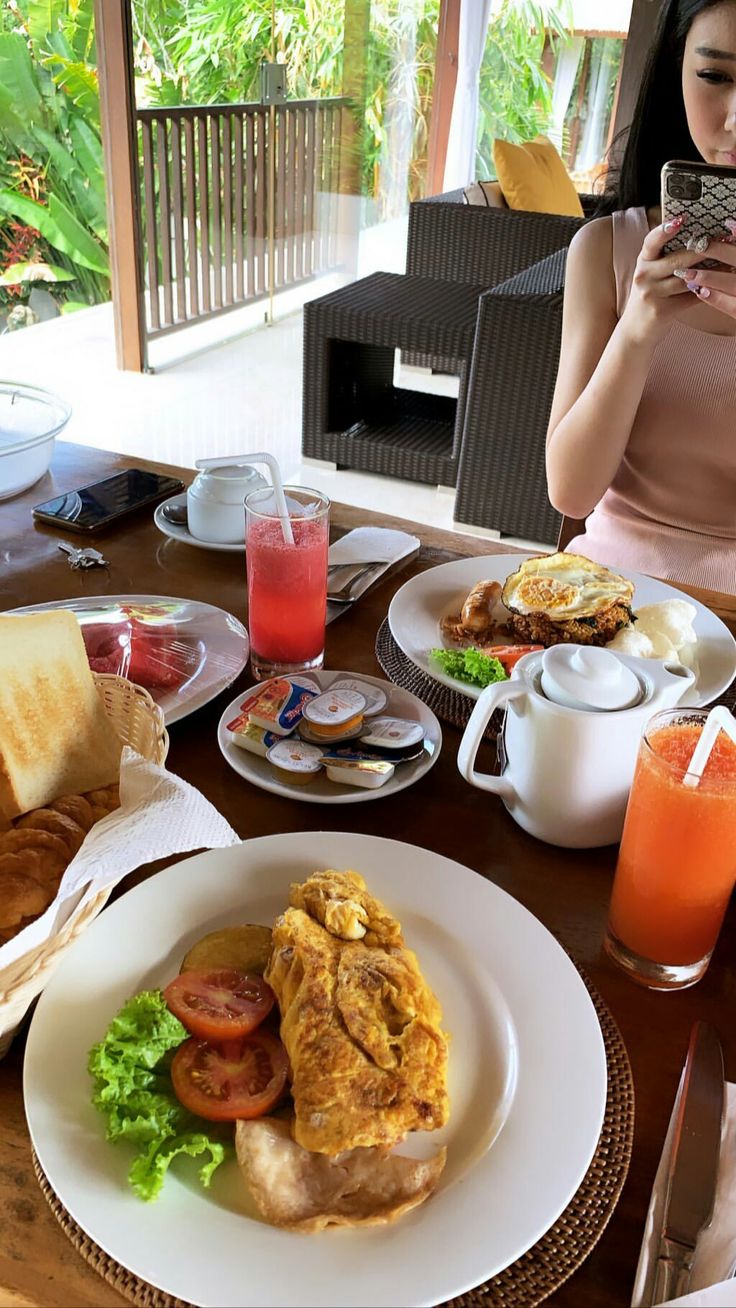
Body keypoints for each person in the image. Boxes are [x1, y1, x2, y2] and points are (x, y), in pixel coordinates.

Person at [546, 0, 736, 590]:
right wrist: (637, 329)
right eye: (714, 76)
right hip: (612, 598)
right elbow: (572, 494)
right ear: (676, 71)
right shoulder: (604, 249)